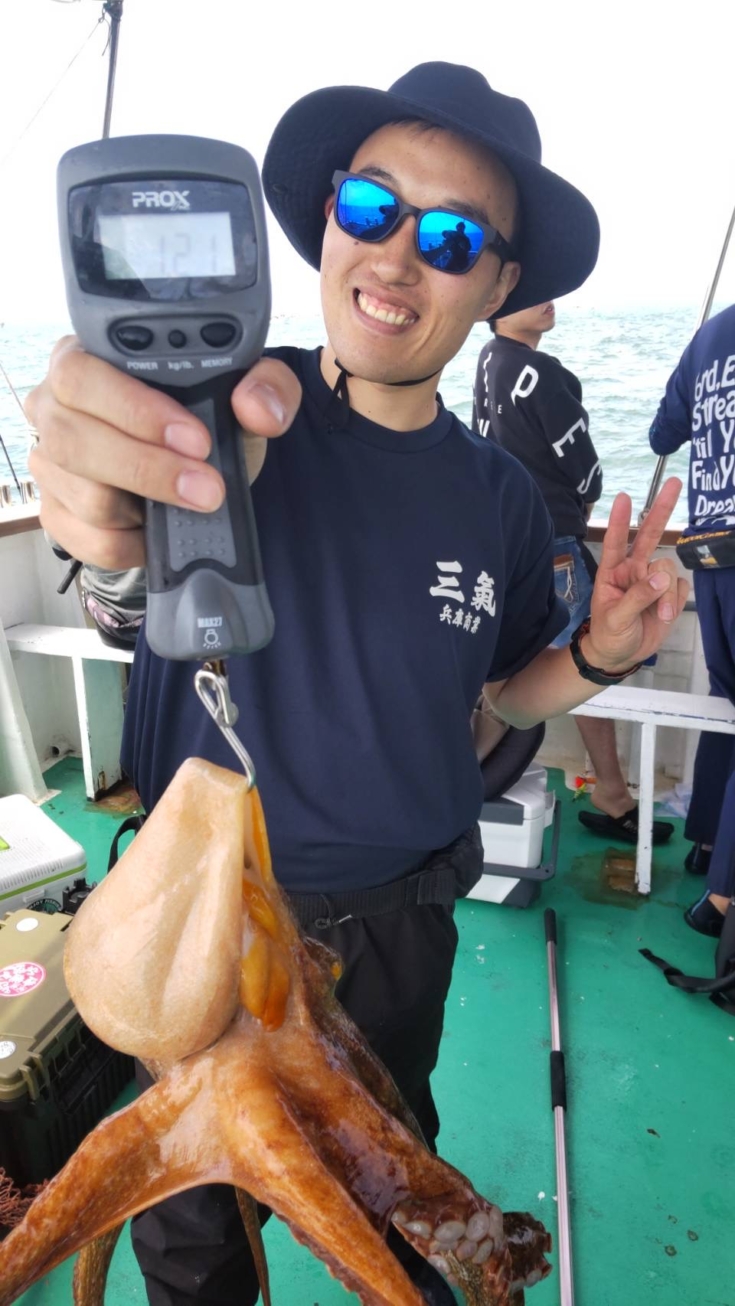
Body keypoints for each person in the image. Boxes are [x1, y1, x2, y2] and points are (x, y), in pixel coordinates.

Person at [26, 62, 686, 1306]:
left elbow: (503, 698)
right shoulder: (227, 409)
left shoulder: (501, 498)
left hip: (397, 930)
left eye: (452, 239)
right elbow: (123, 573)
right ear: (330, 217)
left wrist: (601, 651)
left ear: (497, 285)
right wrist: (112, 514)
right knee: (191, 1247)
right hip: (200, 929)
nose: (397, 257)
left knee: (397, 1212)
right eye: (374, 207)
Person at [472, 302, 674, 845]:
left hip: (505, 540)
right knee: (588, 662)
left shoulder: (487, 362)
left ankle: (467, 768)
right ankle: (612, 792)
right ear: (497, 303)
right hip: (555, 543)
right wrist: (584, 502)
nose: (548, 299)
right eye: (532, 290)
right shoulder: (540, 372)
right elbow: (584, 468)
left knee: (517, 665)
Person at [649, 301, 735, 938]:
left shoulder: (711, 333)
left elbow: (661, 436)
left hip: (712, 556)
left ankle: (706, 841)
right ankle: (722, 900)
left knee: (727, 701)